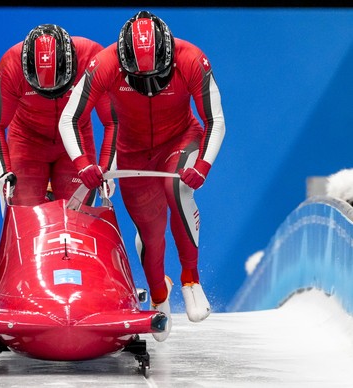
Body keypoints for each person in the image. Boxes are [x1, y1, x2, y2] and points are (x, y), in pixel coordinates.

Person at [59, 11, 226, 341]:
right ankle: (160, 297)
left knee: (175, 186)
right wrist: (83, 164)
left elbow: (214, 120)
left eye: (158, 78)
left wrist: (203, 165)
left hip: (180, 139)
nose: (150, 88)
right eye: (139, 79)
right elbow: (69, 118)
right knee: (151, 234)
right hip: (133, 153)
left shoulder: (192, 59)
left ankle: (191, 279)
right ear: (123, 64)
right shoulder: (104, 64)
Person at [0, 24, 117, 212]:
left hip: (74, 142)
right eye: (42, 90)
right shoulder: (11, 64)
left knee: (78, 217)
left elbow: (114, 121)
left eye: (59, 87)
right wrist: (3, 173)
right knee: (24, 215)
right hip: (27, 142)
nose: (52, 93)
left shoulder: (92, 58)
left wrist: (107, 170)